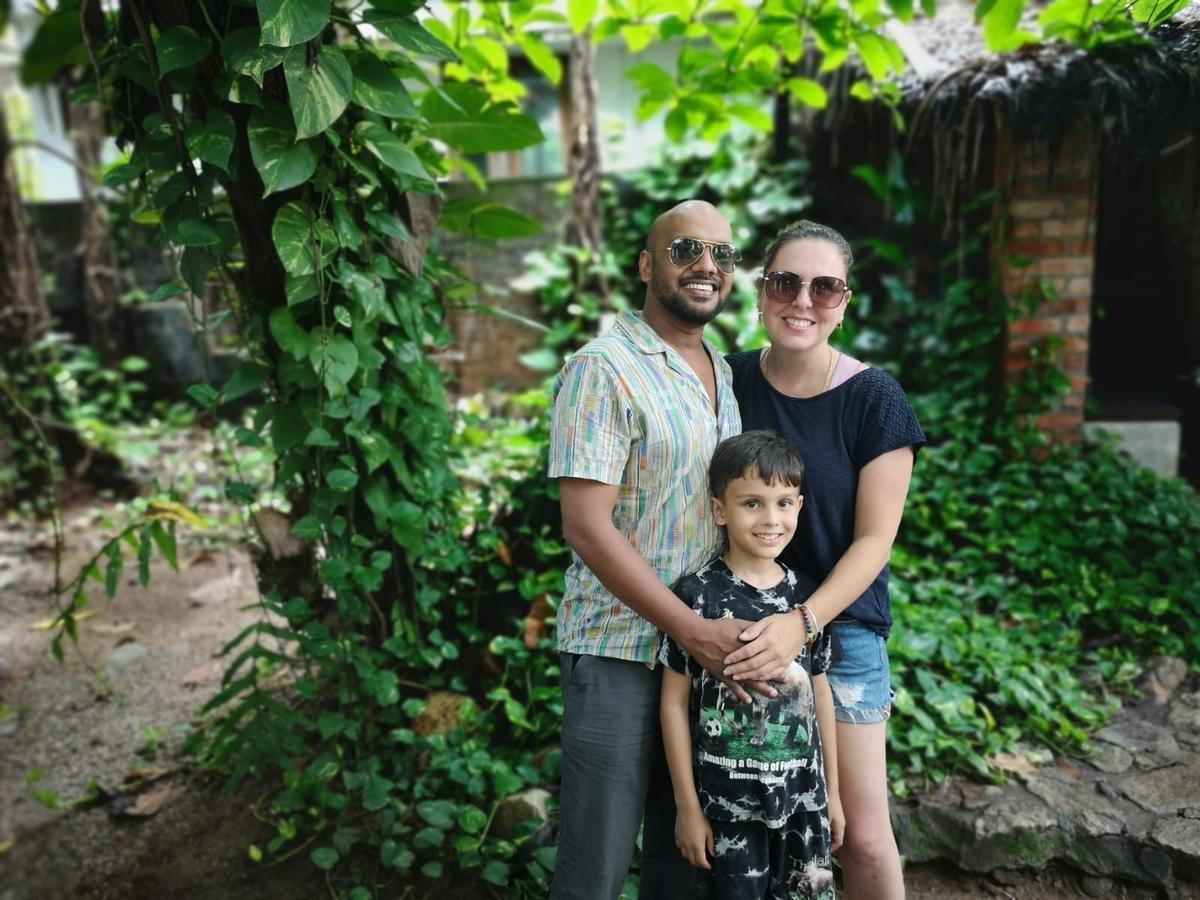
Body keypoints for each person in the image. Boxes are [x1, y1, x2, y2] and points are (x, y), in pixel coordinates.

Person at [547, 200, 759, 899]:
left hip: (699, 662)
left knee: (685, 863)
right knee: (596, 866)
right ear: (646, 264)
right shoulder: (602, 369)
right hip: (621, 652)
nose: (707, 266)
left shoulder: (723, 372)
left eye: (722, 254)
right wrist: (691, 630)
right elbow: (586, 525)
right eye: (686, 250)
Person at [723, 220, 925, 899]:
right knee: (758, 826)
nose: (801, 300)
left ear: (844, 301)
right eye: (785, 281)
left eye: (824, 286)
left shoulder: (876, 399)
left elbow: (874, 541)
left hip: (840, 633)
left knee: (859, 835)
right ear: (760, 291)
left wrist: (802, 622)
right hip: (741, 633)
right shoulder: (728, 382)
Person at [659, 430, 842, 900]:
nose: (771, 519)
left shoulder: (807, 601)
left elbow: (821, 694)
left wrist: (832, 796)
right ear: (720, 510)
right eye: (752, 503)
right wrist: (687, 807)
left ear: (799, 506)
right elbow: (675, 705)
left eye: (783, 503)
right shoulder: (695, 596)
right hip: (726, 810)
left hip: (803, 805)